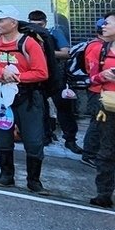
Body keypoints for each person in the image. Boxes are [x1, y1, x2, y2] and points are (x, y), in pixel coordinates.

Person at [0, 4, 48, 193]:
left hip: (28, 96)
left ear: (13, 22)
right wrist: (2, 72)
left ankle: (34, 181)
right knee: (2, 136)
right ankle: (6, 175)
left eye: (0, 20)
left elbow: (42, 72)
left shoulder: (29, 43)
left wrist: (18, 77)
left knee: (34, 140)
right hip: (2, 95)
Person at [27, 9, 82, 153]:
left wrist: (46, 52)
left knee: (64, 109)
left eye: (40, 24)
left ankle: (70, 140)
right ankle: (46, 135)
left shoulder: (54, 32)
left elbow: (66, 53)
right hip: (38, 77)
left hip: (56, 77)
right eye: (33, 25)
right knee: (40, 109)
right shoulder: (27, 36)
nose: (37, 27)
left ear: (45, 23)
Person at [85, 12, 115, 208]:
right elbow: (92, 78)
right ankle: (103, 194)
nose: (102, 26)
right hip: (108, 106)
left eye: (108, 23)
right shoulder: (101, 49)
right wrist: (103, 76)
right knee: (106, 151)